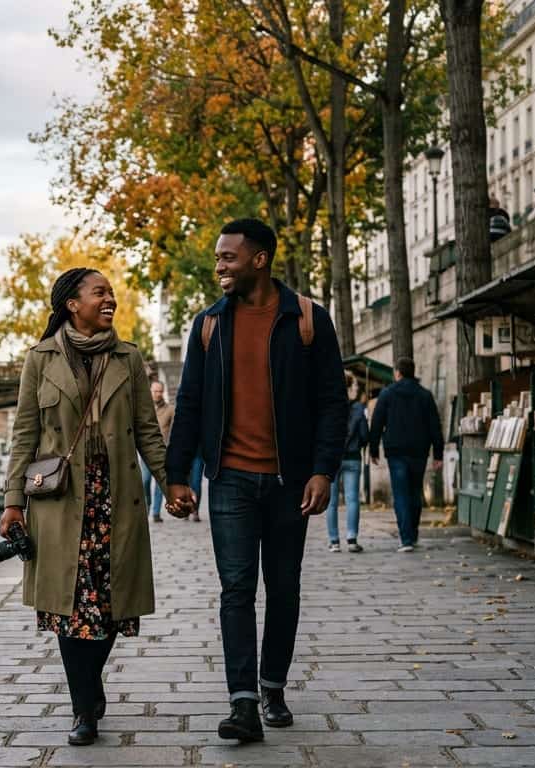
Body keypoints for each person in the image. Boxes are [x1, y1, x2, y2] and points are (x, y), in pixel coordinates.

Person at [165, 218, 347, 742]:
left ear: (259, 259)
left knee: (284, 587)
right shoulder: (209, 324)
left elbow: (332, 402)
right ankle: (242, 703)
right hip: (231, 481)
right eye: (218, 257)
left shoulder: (308, 319)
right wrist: (177, 476)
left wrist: (322, 470)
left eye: (228, 257)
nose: (219, 266)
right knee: (236, 589)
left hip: (291, 482)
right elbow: (190, 404)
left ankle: (273, 687)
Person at [0, 267, 168, 747]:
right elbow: (25, 435)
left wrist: (171, 483)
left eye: (111, 292)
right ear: (73, 304)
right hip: (59, 503)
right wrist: (13, 502)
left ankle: (88, 690)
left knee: (110, 606)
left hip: (116, 499)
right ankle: (84, 709)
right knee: (69, 606)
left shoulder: (128, 358)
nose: (110, 298)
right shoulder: (40, 359)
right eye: (100, 292)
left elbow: (147, 430)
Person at [367, 357, 443, 553]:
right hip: (419, 451)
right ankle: (413, 534)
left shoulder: (387, 394)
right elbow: (435, 425)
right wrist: (438, 453)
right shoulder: (425, 395)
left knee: (400, 494)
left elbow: (377, 423)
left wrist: (373, 449)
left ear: (398, 373)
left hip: (396, 451)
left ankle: (406, 538)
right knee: (415, 492)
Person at [326, 379, 369, 553]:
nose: (357, 389)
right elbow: (365, 434)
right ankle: (351, 538)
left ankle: (334, 541)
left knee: (331, 502)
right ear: (349, 388)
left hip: (332, 458)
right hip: (352, 457)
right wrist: (360, 444)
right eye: (355, 386)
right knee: (352, 499)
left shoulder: (330, 405)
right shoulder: (359, 408)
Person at [141, 379, 174, 522]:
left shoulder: (170, 410)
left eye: (160, 391)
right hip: (145, 451)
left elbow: (174, 431)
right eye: (155, 391)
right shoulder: (144, 408)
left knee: (161, 482)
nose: (158, 394)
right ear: (150, 392)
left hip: (163, 452)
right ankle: (148, 504)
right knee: (145, 481)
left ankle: (155, 512)